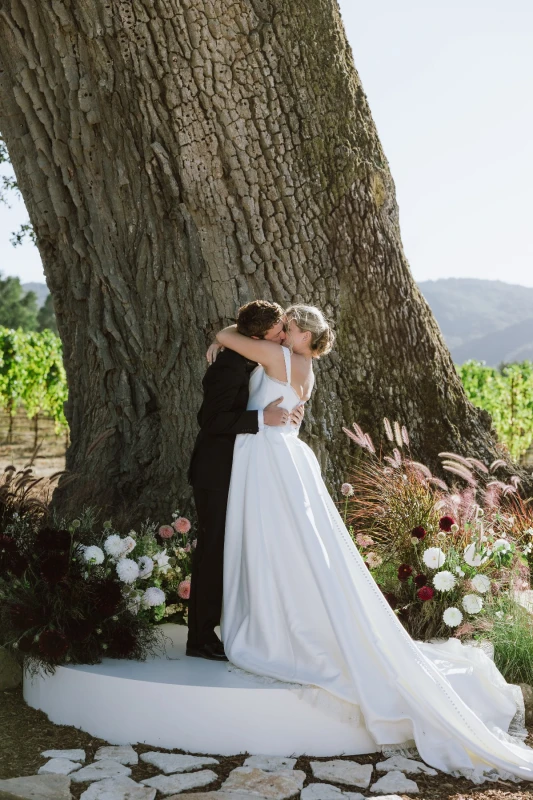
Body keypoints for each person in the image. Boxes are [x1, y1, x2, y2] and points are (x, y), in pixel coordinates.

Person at [214, 303, 533, 782]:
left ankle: (273, 622)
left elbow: (226, 334)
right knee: (291, 545)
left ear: (305, 337)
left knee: (273, 541)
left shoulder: (277, 358)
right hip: (286, 456)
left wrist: (222, 338)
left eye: (292, 328)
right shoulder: (305, 369)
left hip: (268, 457)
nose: (285, 333)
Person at [186, 300, 304, 660]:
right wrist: (261, 419)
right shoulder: (228, 365)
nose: (283, 336)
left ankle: (237, 625)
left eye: (284, 329)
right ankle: (200, 638)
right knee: (213, 552)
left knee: (236, 550)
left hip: (242, 470)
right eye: (277, 333)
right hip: (216, 472)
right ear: (256, 336)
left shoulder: (251, 352)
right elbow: (211, 420)